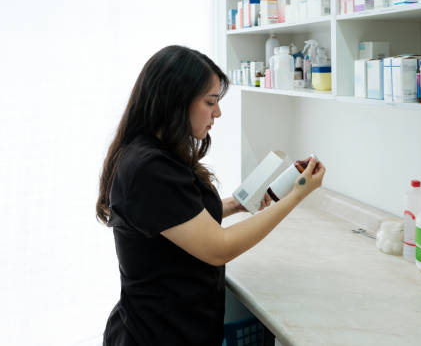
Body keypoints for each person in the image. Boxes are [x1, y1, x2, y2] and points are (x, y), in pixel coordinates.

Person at [96, 45, 326, 345]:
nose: (217, 112)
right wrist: (297, 196)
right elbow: (220, 247)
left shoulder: (155, 152)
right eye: (210, 102)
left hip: (170, 325)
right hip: (157, 334)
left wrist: (236, 204)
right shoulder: (148, 168)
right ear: (175, 101)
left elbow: (177, 214)